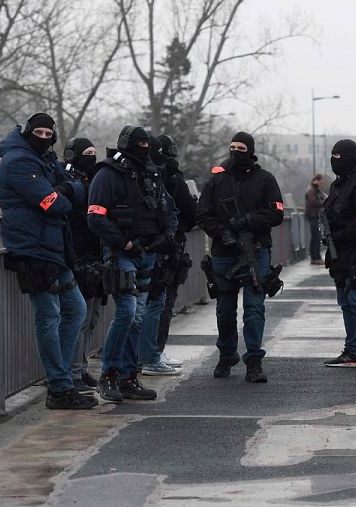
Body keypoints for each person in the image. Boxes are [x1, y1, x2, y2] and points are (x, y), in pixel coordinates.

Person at [0, 113, 96, 410]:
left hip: (53, 249)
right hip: (32, 250)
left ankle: (60, 379)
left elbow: (78, 189)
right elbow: (52, 204)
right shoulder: (18, 162)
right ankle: (60, 387)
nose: (43, 136)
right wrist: (64, 191)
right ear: (27, 132)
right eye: (37, 131)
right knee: (49, 316)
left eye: (47, 132)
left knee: (76, 310)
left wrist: (65, 190)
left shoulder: (45, 160)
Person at [88, 125, 179, 402]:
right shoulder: (107, 174)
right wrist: (125, 243)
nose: (142, 148)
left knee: (138, 316)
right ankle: (109, 375)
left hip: (148, 252)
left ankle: (129, 376)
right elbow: (95, 217)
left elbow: (171, 209)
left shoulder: (150, 174)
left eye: (145, 144)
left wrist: (166, 236)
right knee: (127, 310)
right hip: (121, 252)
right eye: (138, 144)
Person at [196, 132, 284, 382]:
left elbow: (276, 213)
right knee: (225, 310)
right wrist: (222, 232)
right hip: (224, 253)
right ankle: (226, 355)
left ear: (250, 151)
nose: (235, 152)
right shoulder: (217, 180)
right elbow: (202, 214)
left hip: (255, 251)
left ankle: (254, 360)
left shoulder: (265, 179)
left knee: (254, 309)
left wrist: (247, 221)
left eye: (241, 148)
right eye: (232, 147)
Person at [321, 140, 356, 368]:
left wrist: (339, 236)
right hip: (338, 253)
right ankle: (352, 351)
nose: (335, 160)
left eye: (339, 156)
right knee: (345, 302)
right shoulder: (337, 185)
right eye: (332, 155)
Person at [147, 134, 196, 370]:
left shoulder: (145, 175)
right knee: (162, 301)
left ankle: (144, 355)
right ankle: (154, 353)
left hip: (147, 247)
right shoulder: (172, 178)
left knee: (143, 304)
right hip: (169, 247)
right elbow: (190, 211)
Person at [64, 137, 104, 393]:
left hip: (96, 255)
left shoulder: (95, 181)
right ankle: (72, 372)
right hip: (77, 256)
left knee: (92, 316)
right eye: (86, 153)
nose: (91, 157)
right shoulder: (67, 183)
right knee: (79, 317)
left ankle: (81, 367)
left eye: (93, 152)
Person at [305, 173, 327, 265]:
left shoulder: (316, 190)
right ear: (316, 180)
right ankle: (315, 258)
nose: (322, 182)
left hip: (315, 216)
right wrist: (325, 201)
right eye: (321, 180)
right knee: (316, 237)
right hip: (313, 216)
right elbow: (313, 202)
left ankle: (315, 257)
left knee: (316, 237)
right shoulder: (311, 190)